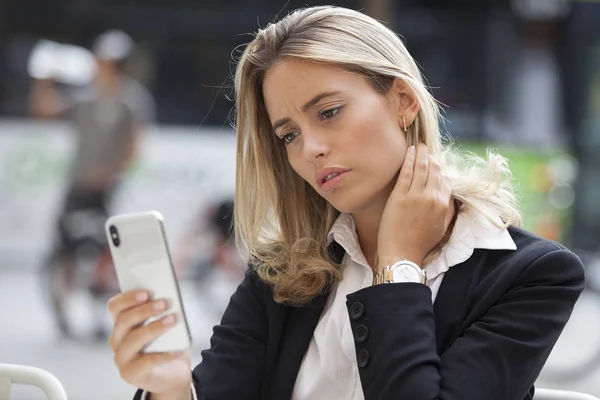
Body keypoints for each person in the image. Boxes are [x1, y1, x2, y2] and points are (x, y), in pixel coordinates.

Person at [107, 6, 585, 400]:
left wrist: (398, 267)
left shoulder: (531, 275)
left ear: (402, 100)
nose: (309, 147)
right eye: (288, 134)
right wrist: (170, 389)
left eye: (329, 112)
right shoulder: (285, 271)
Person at [29, 29, 155, 340]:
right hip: (78, 185)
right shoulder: (85, 95)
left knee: (107, 253)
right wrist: (45, 77)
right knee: (64, 249)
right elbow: (44, 110)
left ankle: (104, 311)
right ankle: (63, 305)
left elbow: (135, 146)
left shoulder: (132, 98)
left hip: (108, 191)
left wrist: (111, 172)